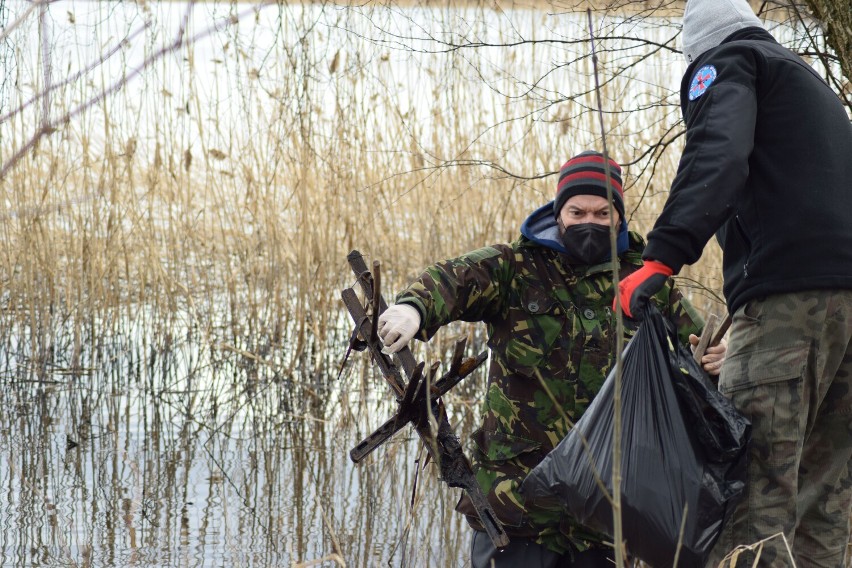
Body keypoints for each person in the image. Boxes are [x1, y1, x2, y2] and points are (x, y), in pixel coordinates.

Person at [377, 151, 726, 568]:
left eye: (602, 212)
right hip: (515, 508)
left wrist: (717, 360)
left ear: (619, 218)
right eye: (577, 211)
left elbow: (699, 344)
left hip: (605, 513)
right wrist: (413, 308)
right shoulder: (516, 268)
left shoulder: (646, 283)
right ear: (558, 212)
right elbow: (453, 280)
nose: (589, 222)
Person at [615, 1, 852, 566]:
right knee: (826, 500)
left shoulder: (726, 62)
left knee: (750, 497)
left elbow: (718, 151)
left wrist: (661, 256)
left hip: (786, 309)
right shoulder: (809, 85)